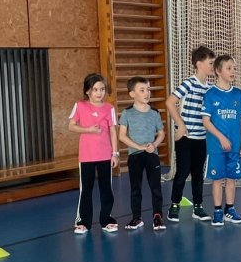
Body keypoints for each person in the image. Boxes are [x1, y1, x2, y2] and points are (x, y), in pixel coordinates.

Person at [165, 46, 215, 223]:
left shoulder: (211, 88)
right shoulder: (189, 83)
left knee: (198, 174)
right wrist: (180, 124)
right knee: (182, 171)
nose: (213, 66)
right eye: (210, 63)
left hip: (201, 138)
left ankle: (198, 206)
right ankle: (174, 204)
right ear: (199, 64)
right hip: (186, 138)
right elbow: (170, 102)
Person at [200, 54, 241, 226]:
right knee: (218, 179)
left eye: (234, 68)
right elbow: (206, 121)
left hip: (235, 145)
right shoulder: (211, 94)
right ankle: (218, 211)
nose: (233, 71)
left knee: (231, 178)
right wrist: (221, 138)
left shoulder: (237, 93)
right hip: (216, 146)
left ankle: (230, 209)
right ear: (218, 71)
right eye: (229, 68)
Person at [68, 73, 118, 234]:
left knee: (106, 189)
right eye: (95, 89)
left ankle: (106, 219)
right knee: (86, 189)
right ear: (88, 91)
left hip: (105, 155)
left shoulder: (109, 108)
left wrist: (115, 153)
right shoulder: (80, 106)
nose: (99, 93)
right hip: (87, 156)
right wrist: (88, 129)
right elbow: (71, 126)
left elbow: (113, 131)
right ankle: (83, 221)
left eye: (102, 89)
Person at [118, 76, 167, 231]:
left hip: (152, 155)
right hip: (135, 156)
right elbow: (122, 136)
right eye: (142, 90)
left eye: (148, 89)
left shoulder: (154, 113)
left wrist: (154, 145)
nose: (147, 93)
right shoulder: (127, 113)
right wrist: (138, 146)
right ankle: (136, 218)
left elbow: (161, 133)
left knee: (155, 187)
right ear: (132, 94)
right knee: (135, 188)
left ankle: (157, 216)